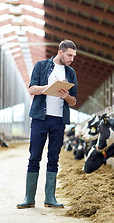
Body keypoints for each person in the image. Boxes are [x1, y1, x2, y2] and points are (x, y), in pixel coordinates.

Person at [17, 40, 77, 209]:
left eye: (73, 56)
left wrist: (66, 96)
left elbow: (73, 101)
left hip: (58, 120)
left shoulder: (71, 73)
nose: (72, 59)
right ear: (61, 52)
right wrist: (48, 87)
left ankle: (50, 198)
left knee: (54, 158)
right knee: (34, 156)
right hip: (39, 119)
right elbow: (32, 89)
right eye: (69, 55)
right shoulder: (41, 66)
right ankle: (29, 198)